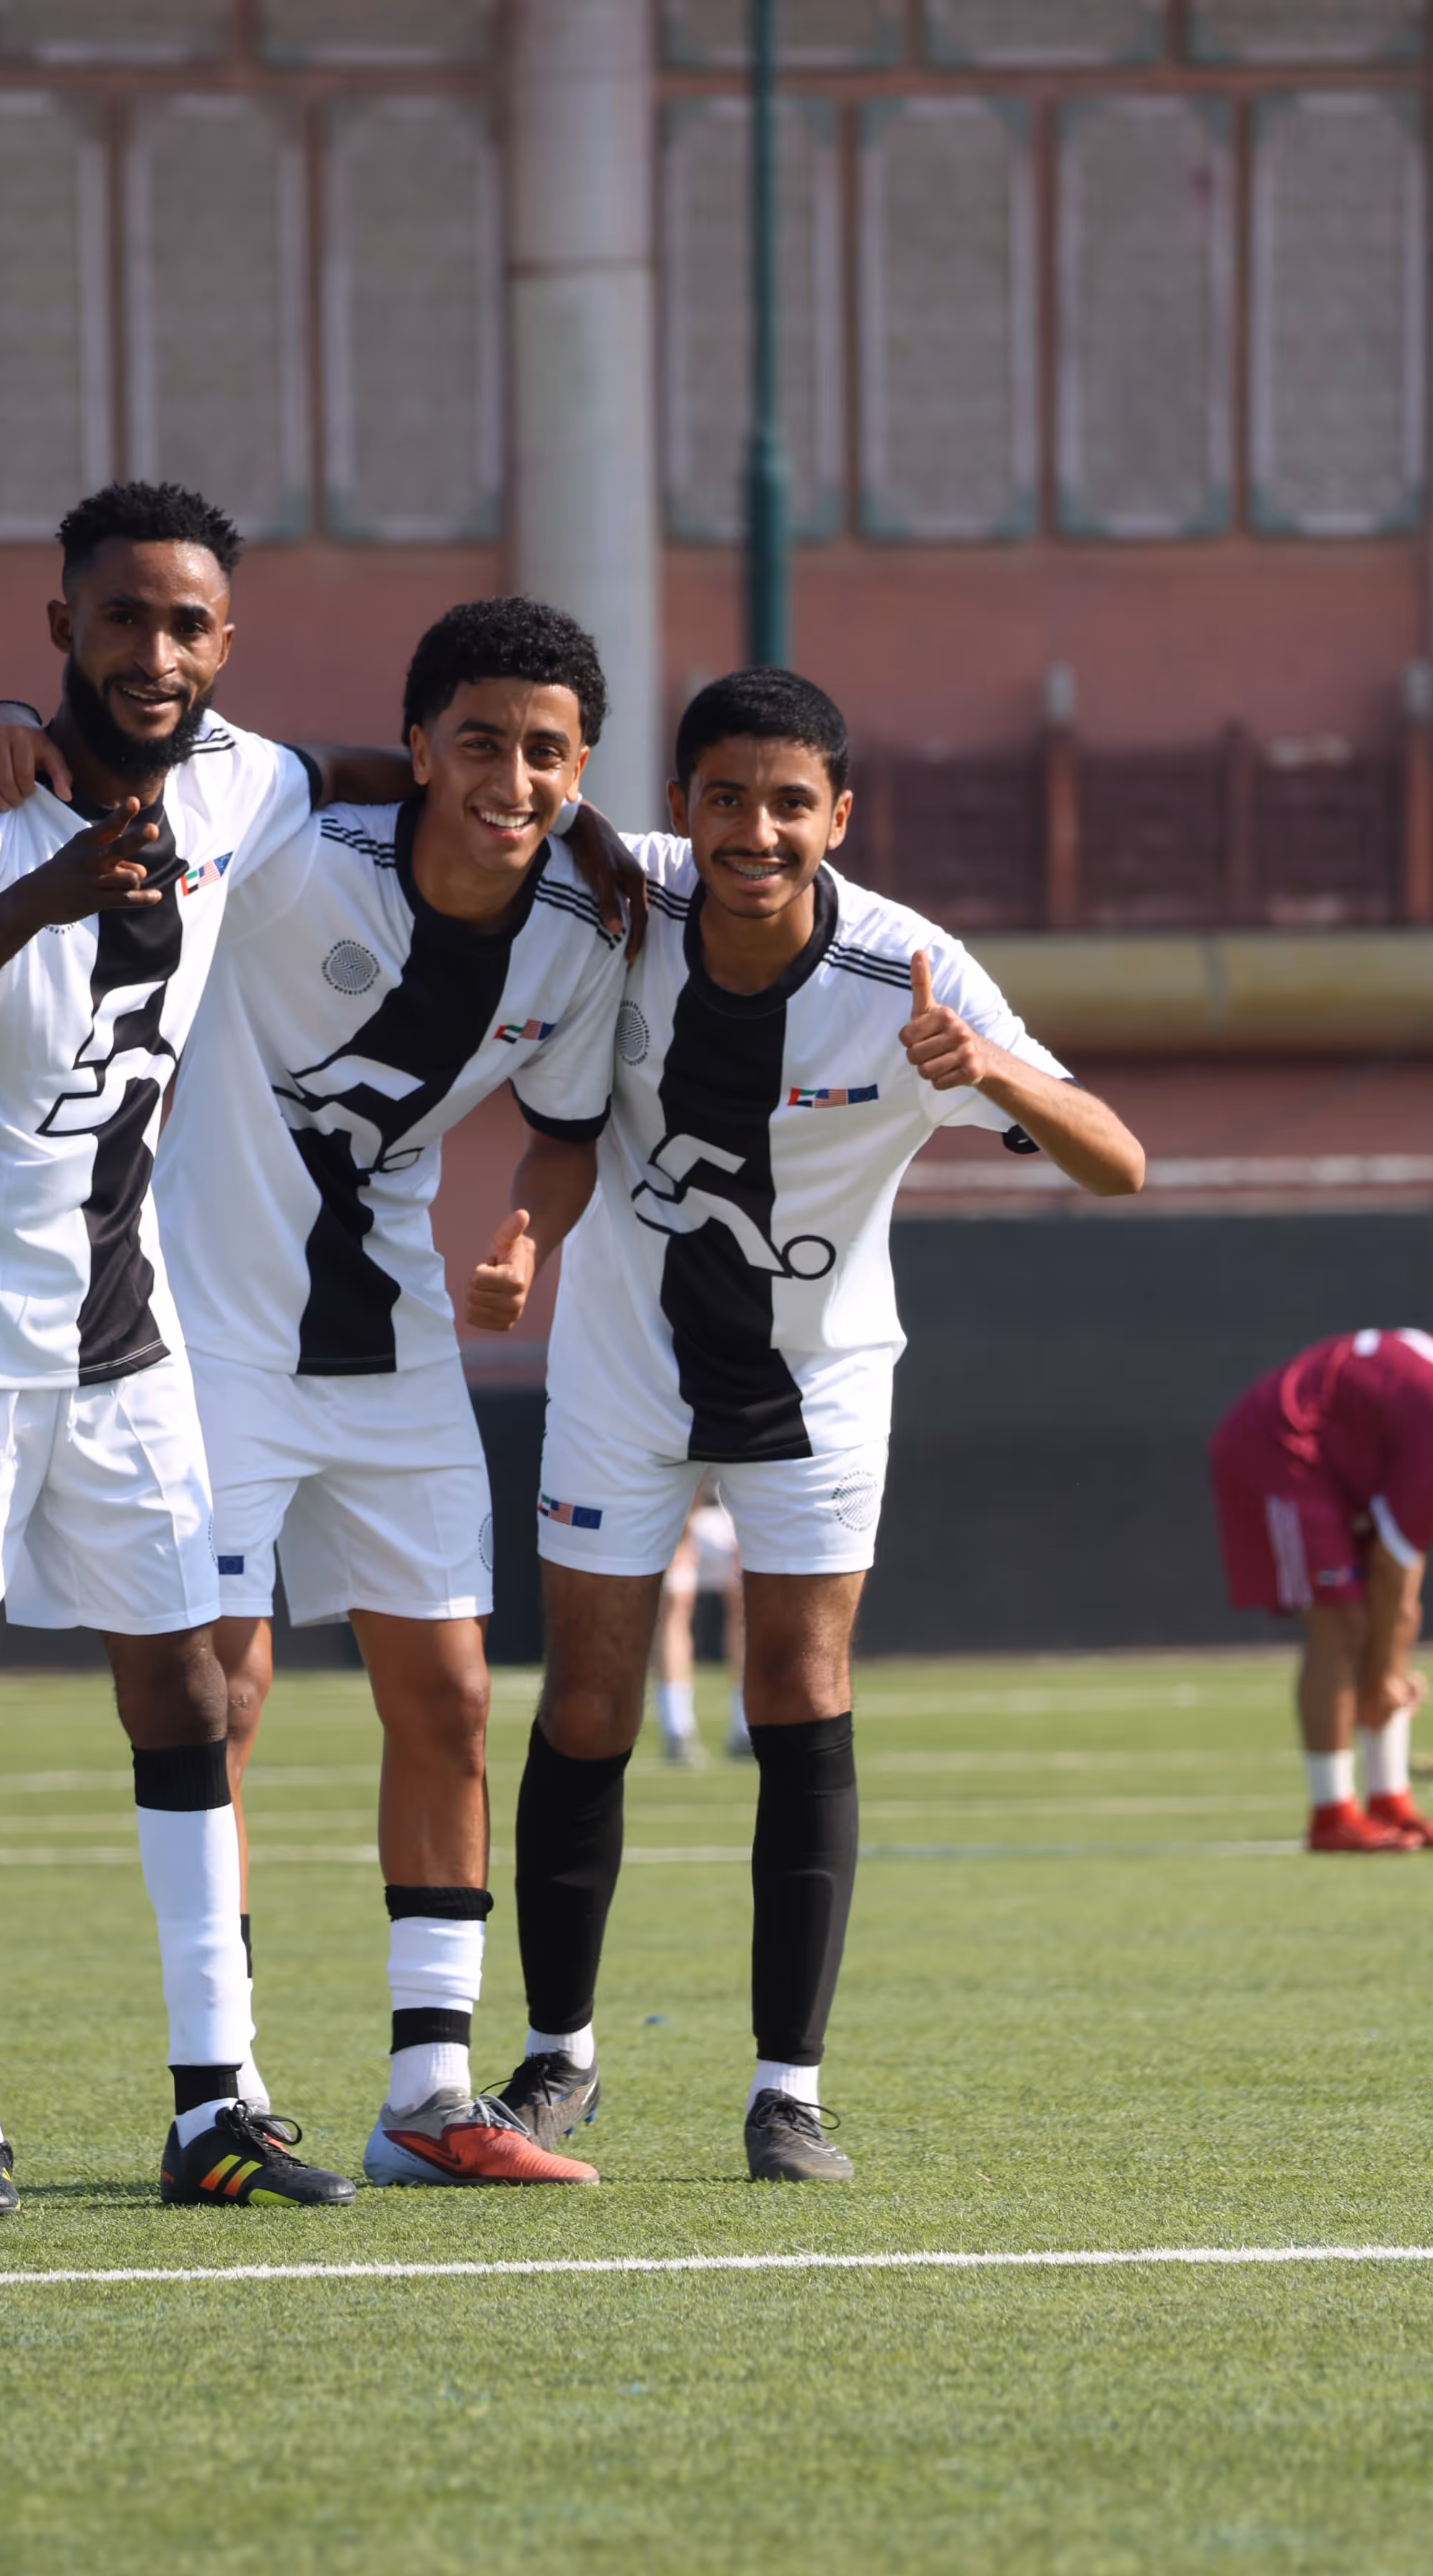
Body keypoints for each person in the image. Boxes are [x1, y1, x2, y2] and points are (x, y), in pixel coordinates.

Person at [0, 599, 633, 2189]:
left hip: (392, 1346)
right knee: (231, 1697)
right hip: (209, 1347)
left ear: (582, 768)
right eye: (478, 743)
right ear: (417, 750)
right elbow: (153, 766)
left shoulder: (581, 933)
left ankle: (429, 2089)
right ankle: (226, 2087)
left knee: (453, 1699)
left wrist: (524, 1233)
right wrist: (12, 719)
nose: (511, 780)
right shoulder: (296, 856)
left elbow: (563, 1120)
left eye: (547, 755)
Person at [0, 477, 437, 2219]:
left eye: (188, 624)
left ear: (223, 643)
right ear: (62, 629)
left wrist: (586, 834)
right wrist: (46, 894)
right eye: (122, 618)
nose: (154, 652)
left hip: (128, 1337)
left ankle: (208, 2115)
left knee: (186, 1690)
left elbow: (364, 775)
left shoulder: (244, 780)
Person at [471, 666, 1146, 2180]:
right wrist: (524, 1237)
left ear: (837, 817)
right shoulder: (619, 900)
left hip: (818, 1384)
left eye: (789, 804)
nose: (754, 831)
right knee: (584, 1707)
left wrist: (992, 1078)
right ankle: (555, 2057)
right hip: (625, 1372)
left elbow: (1117, 1162)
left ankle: (785, 2091)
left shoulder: (915, 971)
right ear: (678, 810)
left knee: (798, 1691)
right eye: (725, 798)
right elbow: (483, 793)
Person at [1208, 1329, 1433, 1850]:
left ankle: (1390, 1801)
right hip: (1280, 1448)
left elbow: (1402, 1577)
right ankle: (1332, 1814)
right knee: (1343, 1623)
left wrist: (1390, 1670)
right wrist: (1383, 1676)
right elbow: (1395, 1565)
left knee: (1391, 1622)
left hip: (1341, 1459)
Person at [653, 1484, 749, 1766]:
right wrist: (681, 1522)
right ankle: (677, 1726)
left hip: (735, 1515)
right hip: (682, 1513)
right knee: (674, 1605)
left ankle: (746, 1726)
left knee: (747, 1610)